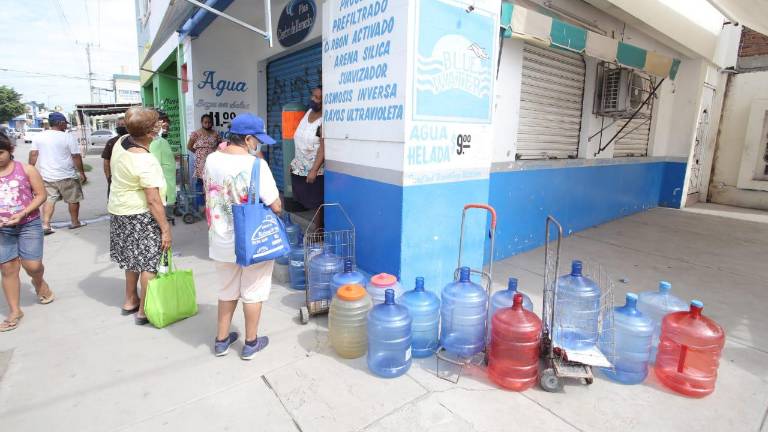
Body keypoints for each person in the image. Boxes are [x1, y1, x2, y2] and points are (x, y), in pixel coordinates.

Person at [204, 113, 280, 359]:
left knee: (226, 290)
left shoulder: (211, 159)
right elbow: (276, 204)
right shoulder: (256, 165)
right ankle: (250, 343)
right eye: (257, 140)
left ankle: (221, 341)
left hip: (219, 238)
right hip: (251, 240)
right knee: (253, 290)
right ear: (247, 139)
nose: (258, 145)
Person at [108, 107, 172, 325]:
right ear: (150, 132)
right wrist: (165, 229)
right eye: (157, 124)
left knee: (132, 258)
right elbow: (153, 200)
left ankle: (130, 300)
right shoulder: (145, 160)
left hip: (120, 210)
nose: (160, 127)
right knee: (149, 263)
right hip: (140, 214)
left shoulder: (121, 142)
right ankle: (144, 310)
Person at [0, 132, 53, 331]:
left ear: (10, 150)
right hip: (3, 229)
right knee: (8, 268)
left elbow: (41, 195)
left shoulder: (26, 169)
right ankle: (15, 311)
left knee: (33, 265)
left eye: (1, 152)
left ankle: (39, 282)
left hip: (28, 224)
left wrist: (23, 213)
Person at [28, 112, 87, 234]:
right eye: (65, 123)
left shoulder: (39, 136)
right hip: (67, 176)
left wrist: (30, 170)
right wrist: (82, 172)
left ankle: (46, 225)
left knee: (49, 199)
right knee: (73, 200)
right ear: (60, 123)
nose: (66, 126)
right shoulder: (67, 137)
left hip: (47, 176)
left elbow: (33, 154)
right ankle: (75, 222)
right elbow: (75, 156)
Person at [290, 86, 324, 226]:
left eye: (317, 98)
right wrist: (295, 161)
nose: (313, 99)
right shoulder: (308, 112)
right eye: (313, 95)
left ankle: (318, 232)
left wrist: (314, 170)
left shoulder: (324, 120)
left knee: (317, 202)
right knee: (303, 199)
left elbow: (323, 146)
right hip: (300, 165)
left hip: (314, 169)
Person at [187, 114, 221, 202]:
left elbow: (220, 145)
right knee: (200, 181)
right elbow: (189, 146)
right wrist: (199, 153)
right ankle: (200, 204)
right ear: (201, 123)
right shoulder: (196, 134)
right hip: (200, 162)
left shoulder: (216, 134)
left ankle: (212, 202)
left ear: (212, 123)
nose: (207, 124)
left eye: (209, 122)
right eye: (205, 122)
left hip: (213, 161)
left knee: (212, 180)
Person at [149, 110, 177, 218]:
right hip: (163, 189)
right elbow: (155, 166)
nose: (167, 124)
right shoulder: (155, 142)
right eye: (163, 122)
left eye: (166, 121)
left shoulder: (160, 140)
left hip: (167, 185)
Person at [102, 118, 128, 199]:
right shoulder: (111, 142)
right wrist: (108, 178)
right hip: (115, 179)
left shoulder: (134, 140)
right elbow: (106, 162)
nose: (120, 127)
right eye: (118, 125)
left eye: (123, 125)